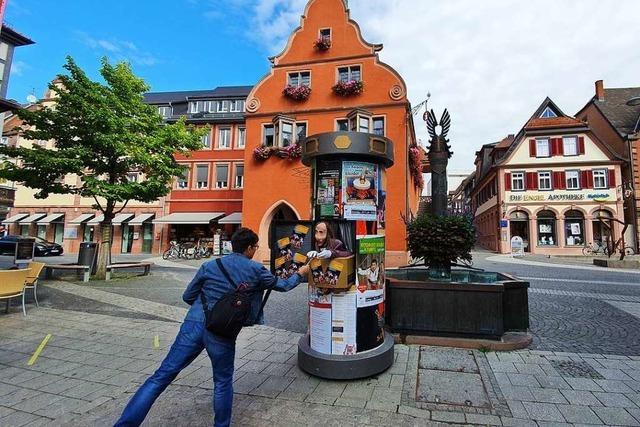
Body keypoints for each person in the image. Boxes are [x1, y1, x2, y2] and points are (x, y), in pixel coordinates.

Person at [115, 227, 309, 427]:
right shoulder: (255, 269)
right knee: (222, 382)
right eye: (256, 247)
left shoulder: (210, 265)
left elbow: (187, 296)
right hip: (222, 330)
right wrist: (301, 273)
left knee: (161, 376)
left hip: (194, 324)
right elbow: (283, 286)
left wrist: (206, 305)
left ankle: (124, 424)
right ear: (250, 248)